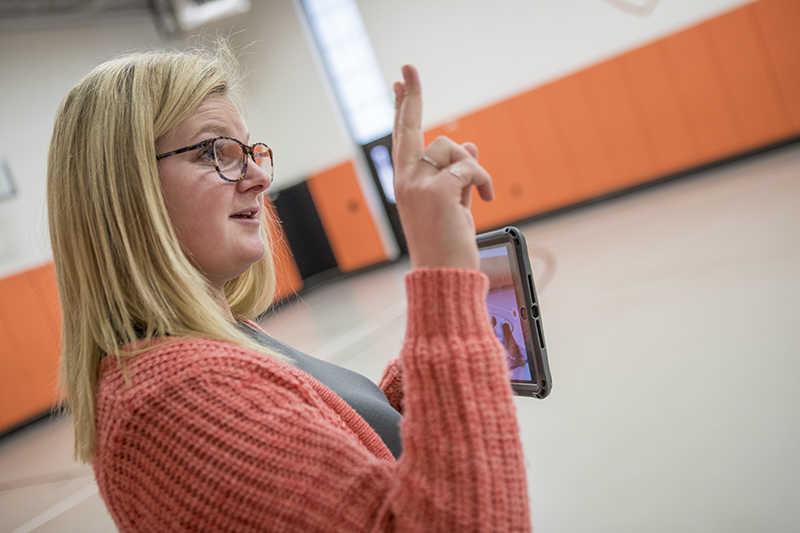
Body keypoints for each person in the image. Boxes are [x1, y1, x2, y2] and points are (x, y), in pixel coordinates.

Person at [47, 41, 531, 532]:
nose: (258, 177)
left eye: (250, 151)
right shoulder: (175, 401)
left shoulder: (217, 342)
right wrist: (443, 284)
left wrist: (439, 356)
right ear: (127, 190)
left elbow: (337, 448)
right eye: (217, 152)